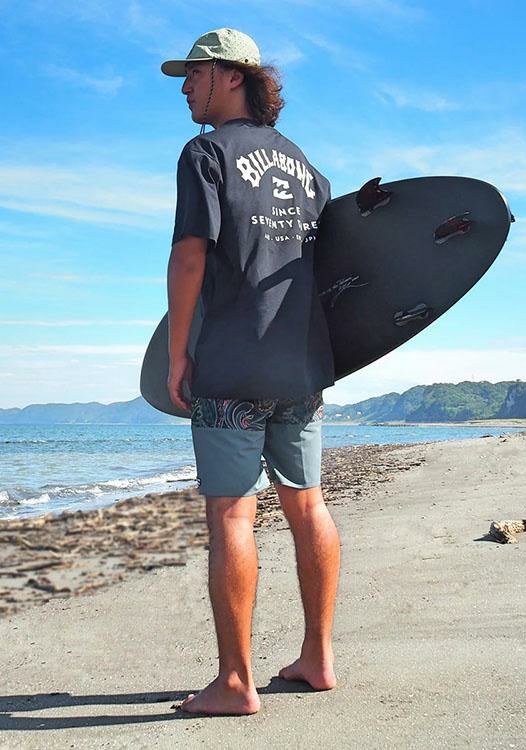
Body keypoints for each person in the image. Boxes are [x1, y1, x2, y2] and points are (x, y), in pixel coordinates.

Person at [161, 28, 341, 716]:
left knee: (233, 513)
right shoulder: (305, 166)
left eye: (194, 74)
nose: (185, 87)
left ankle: (236, 684)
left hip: (232, 363)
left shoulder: (205, 154)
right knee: (308, 505)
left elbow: (190, 256)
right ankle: (317, 658)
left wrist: (178, 352)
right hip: (302, 368)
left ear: (232, 76)